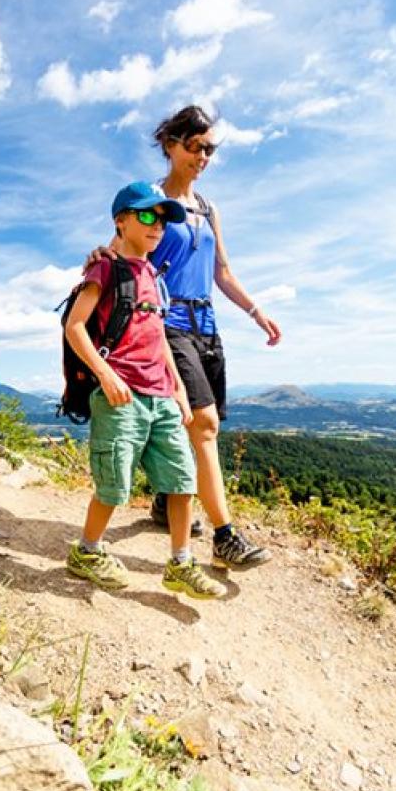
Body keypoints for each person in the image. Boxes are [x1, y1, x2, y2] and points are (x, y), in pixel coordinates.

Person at [86, 106, 282, 570]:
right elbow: (123, 249)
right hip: (165, 323)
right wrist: (96, 255)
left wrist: (256, 311)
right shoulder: (153, 201)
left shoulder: (209, 209)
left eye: (210, 148)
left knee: (188, 425)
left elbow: (222, 272)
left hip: (207, 325)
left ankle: (164, 500)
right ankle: (225, 536)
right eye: (195, 146)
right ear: (171, 145)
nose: (203, 156)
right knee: (206, 425)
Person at [65, 181, 226, 600]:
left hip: (161, 395)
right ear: (121, 221)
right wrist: (106, 375)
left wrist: (178, 389)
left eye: (164, 219)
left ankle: (180, 563)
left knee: (181, 479)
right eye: (148, 216)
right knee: (113, 483)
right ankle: (87, 551)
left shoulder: (155, 275)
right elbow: (75, 327)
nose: (158, 226)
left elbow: (157, 335)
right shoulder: (105, 269)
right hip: (121, 394)